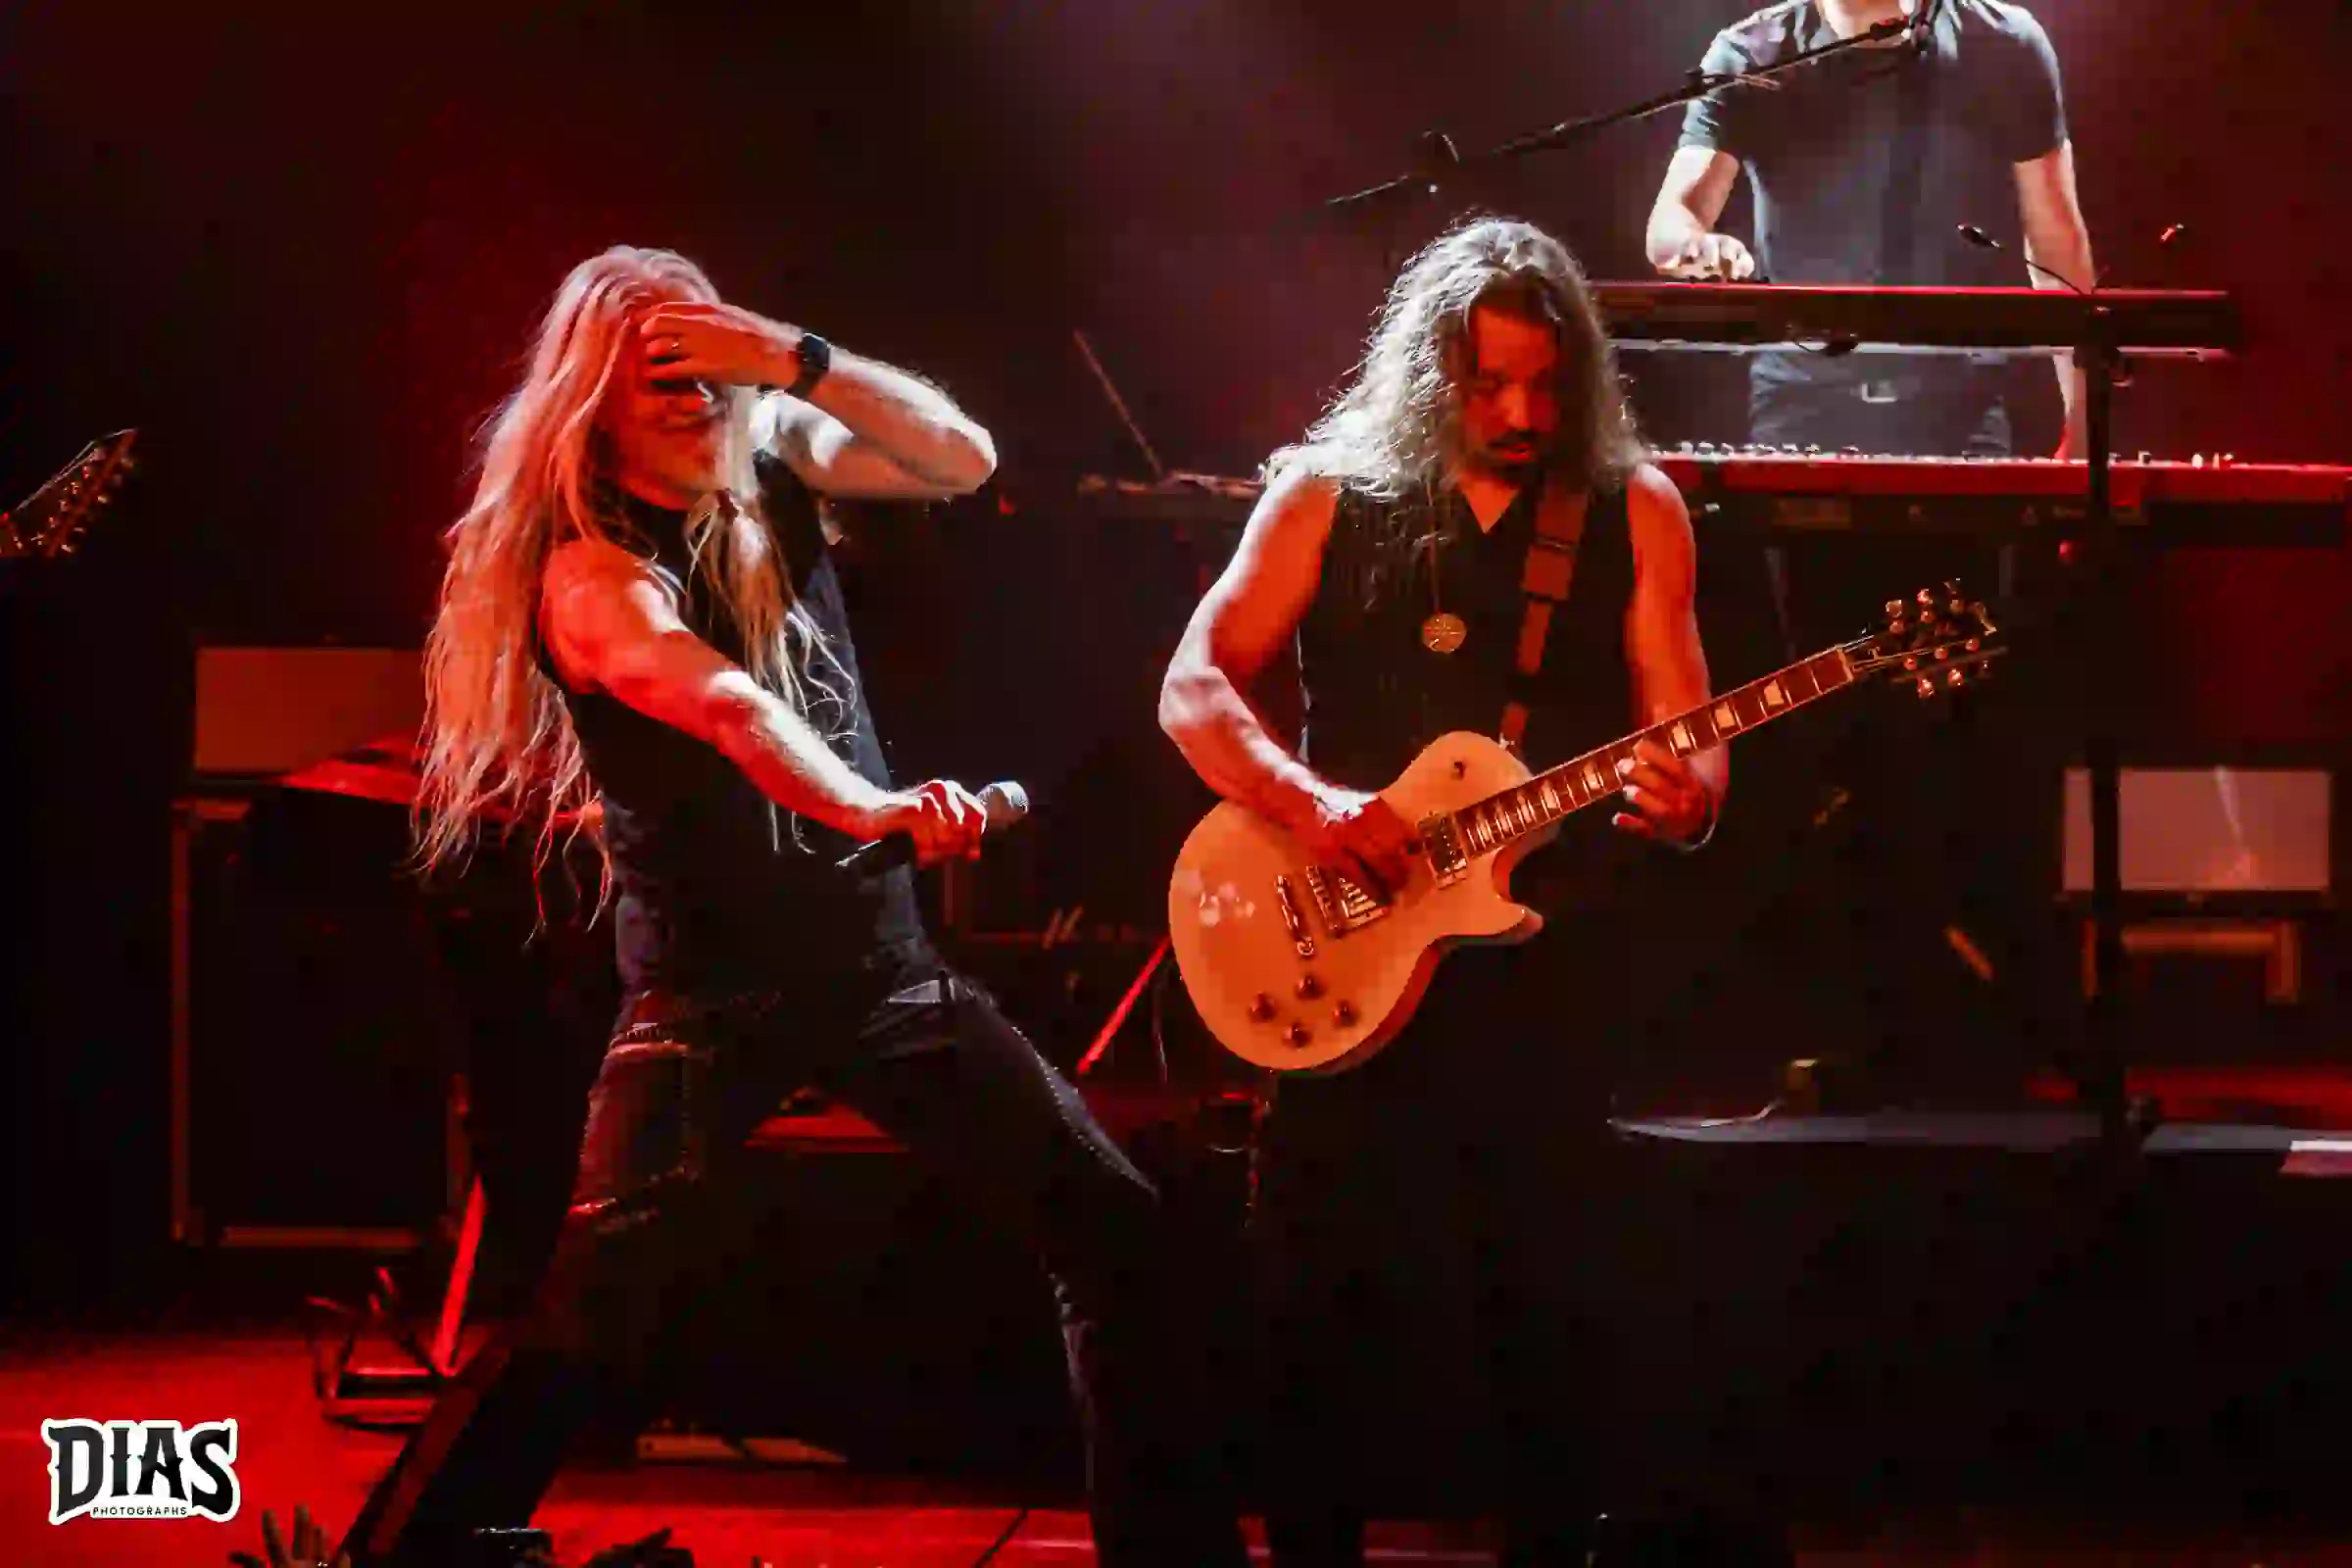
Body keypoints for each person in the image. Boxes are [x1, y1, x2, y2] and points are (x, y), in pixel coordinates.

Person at [336, 247, 1244, 1567]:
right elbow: (726, 704)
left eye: (710, 374)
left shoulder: (771, 455)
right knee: (590, 1320)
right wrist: (865, 807)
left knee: (1115, 1234)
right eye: (664, 383)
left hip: (881, 974)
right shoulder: (591, 574)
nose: (699, 403)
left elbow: (965, 458)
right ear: (596, 406)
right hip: (712, 999)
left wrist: (790, 358)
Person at [1158, 217, 1731, 1565]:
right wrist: (1312, 805)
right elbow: (1194, 686)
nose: (1523, 415)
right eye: (1489, 386)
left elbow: (1689, 726)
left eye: (1547, 386)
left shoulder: (1637, 509)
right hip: (1343, 961)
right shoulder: (1324, 496)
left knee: (1554, 1318)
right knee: (1318, 1311)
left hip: (1544, 968)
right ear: (1431, 374)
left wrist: (1696, 799)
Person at [1646, 0, 2097, 459]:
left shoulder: (2002, 41)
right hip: (1800, 406)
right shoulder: (1751, 54)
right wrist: (1695, 246)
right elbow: (1671, 222)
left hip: (1961, 411)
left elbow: (2056, 245)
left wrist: (2084, 425)